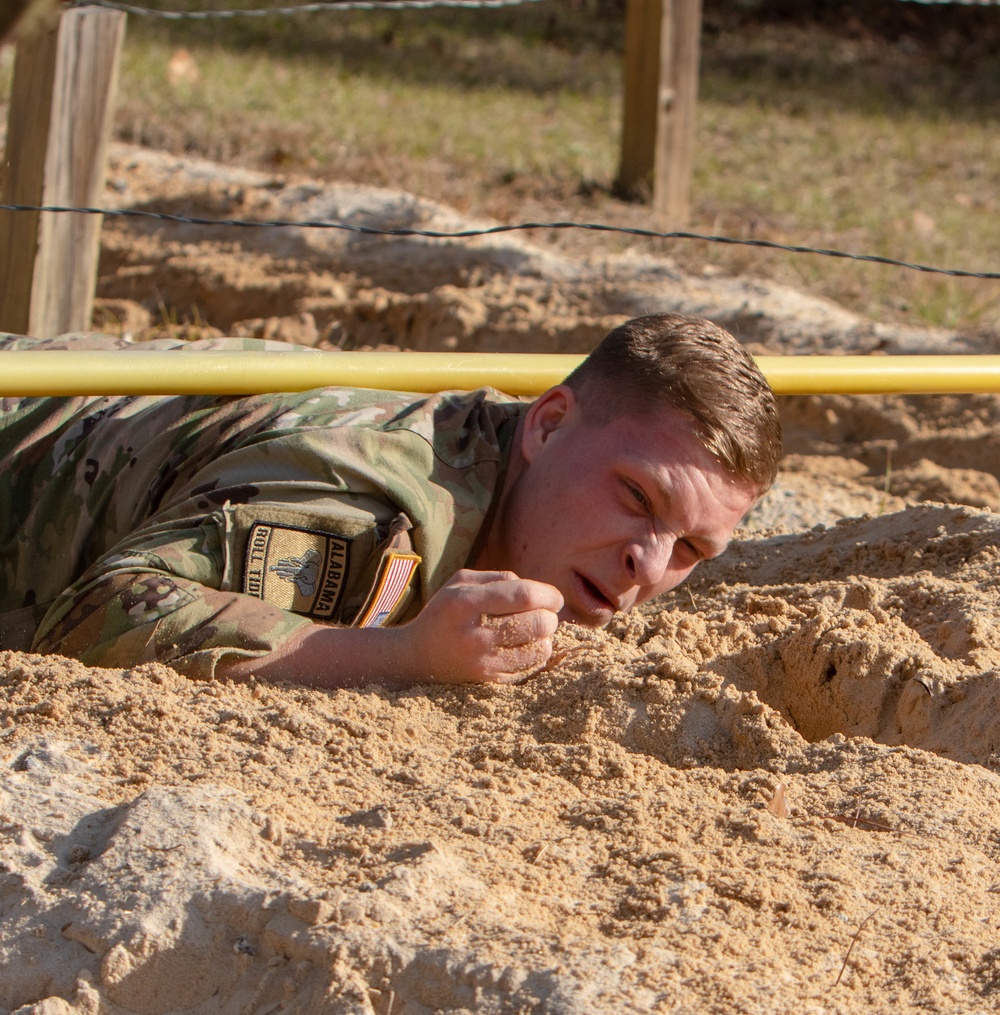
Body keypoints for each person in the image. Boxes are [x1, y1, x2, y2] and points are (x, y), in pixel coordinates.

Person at [0, 313, 782, 688]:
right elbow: (102, 609)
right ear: (547, 425)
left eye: (691, 550)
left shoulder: (497, 454)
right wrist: (402, 655)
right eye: (636, 494)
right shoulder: (389, 510)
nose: (647, 563)